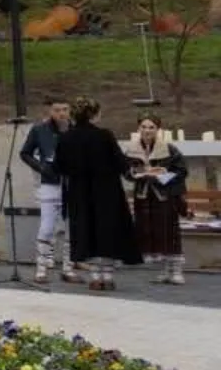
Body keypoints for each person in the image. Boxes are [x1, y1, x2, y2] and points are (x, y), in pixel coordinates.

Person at [58, 96, 142, 291]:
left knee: (87, 232)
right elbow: (121, 162)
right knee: (107, 232)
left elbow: (59, 166)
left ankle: (95, 276)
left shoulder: (66, 137)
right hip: (106, 190)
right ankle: (108, 275)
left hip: (79, 192)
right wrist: (136, 172)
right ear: (94, 115)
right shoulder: (104, 135)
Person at [124, 113, 189, 286]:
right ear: (139, 129)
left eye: (151, 127)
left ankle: (176, 270)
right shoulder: (132, 149)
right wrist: (136, 173)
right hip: (144, 196)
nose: (147, 130)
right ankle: (164, 270)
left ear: (158, 129)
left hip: (164, 196)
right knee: (152, 232)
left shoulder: (169, 149)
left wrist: (162, 175)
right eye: (144, 127)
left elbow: (182, 171)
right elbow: (125, 171)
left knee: (169, 231)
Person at [20, 98, 77, 284]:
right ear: (50, 112)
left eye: (65, 109)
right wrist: (41, 167)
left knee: (70, 227)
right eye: (57, 110)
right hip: (50, 183)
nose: (61, 113)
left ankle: (68, 268)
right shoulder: (39, 130)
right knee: (46, 226)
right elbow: (25, 153)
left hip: (71, 182)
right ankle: (41, 268)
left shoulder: (75, 129)